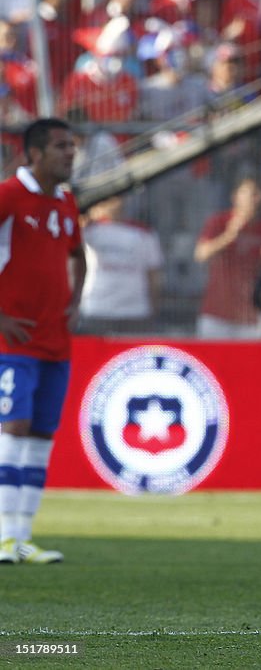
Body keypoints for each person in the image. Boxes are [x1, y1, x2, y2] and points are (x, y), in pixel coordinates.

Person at [0, 118, 86, 564]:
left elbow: (77, 255)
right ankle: (1, 536)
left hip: (55, 340)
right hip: (14, 341)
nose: (70, 154)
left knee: (40, 436)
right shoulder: (8, 195)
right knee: (12, 429)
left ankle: (21, 537)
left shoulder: (66, 202)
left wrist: (74, 303)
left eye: (71, 146)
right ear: (33, 153)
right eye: (60, 147)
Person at [194, 177, 261, 339]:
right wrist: (228, 237)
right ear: (236, 197)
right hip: (217, 313)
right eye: (251, 193)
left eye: (258, 194)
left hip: (251, 314)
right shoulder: (219, 222)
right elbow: (201, 254)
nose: (255, 199)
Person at [79, 195, 163, 336]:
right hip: (97, 309)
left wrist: (153, 306)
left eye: (117, 198)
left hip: (135, 312)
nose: (114, 203)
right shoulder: (90, 230)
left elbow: (153, 274)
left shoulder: (144, 233)